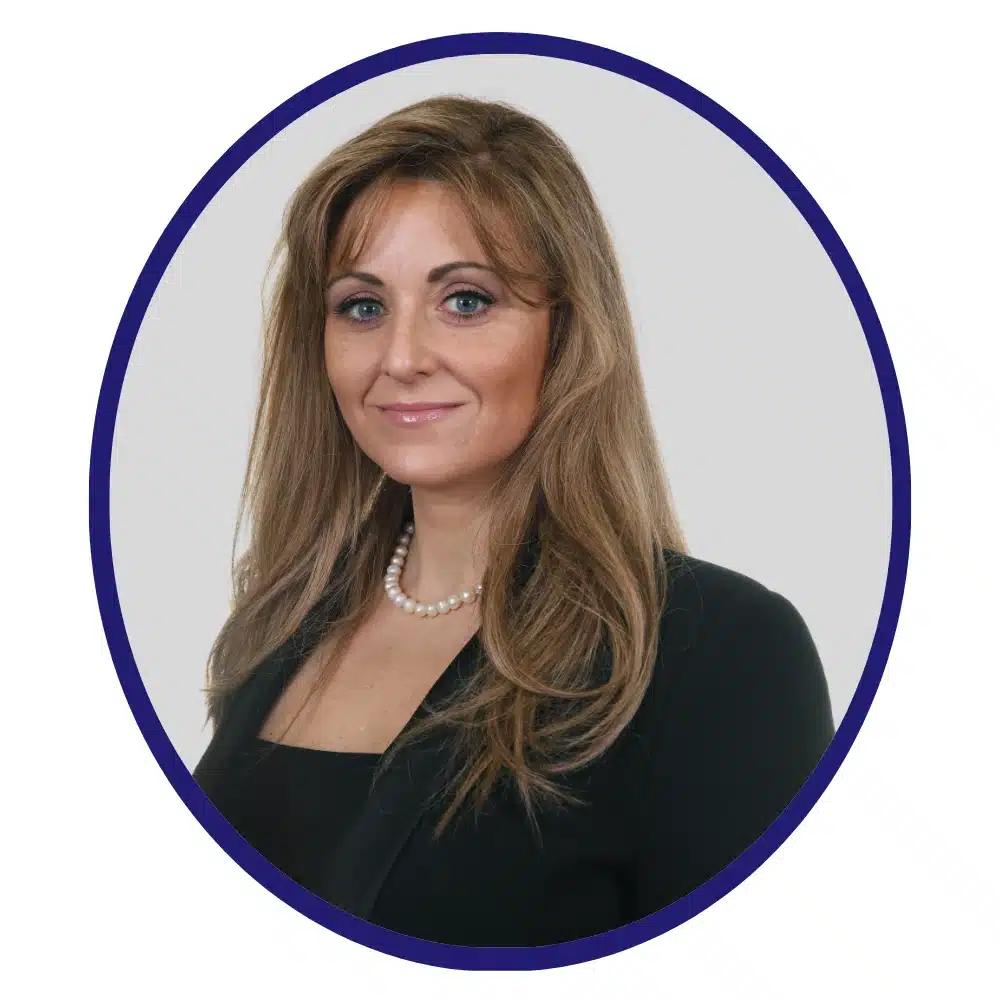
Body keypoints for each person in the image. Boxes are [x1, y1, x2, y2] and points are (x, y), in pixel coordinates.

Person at [193, 94, 834, 947]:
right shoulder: (276, 630)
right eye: (361, 305)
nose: (401, 357)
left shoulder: (714, 651)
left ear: (565, 333)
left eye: (465, 301)